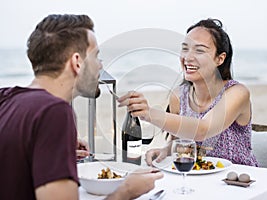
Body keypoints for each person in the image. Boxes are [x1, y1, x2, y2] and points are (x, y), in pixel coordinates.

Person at [0, 14, 163, 200]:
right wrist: (127, 191)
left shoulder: (5, 98)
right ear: (77, 62)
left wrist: (56, 151)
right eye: (96, 57)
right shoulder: (54, 112)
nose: (100, 66)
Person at [118, 18, 258, 166]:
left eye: (199, 50)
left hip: (238, 182)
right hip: (197, 180)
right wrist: (165, 151)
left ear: (219, 59)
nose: (188, 57)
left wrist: (149, 113)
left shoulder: (237, 93)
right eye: (185, 48)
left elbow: (203, 129)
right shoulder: (179, 96)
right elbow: (178, 143)